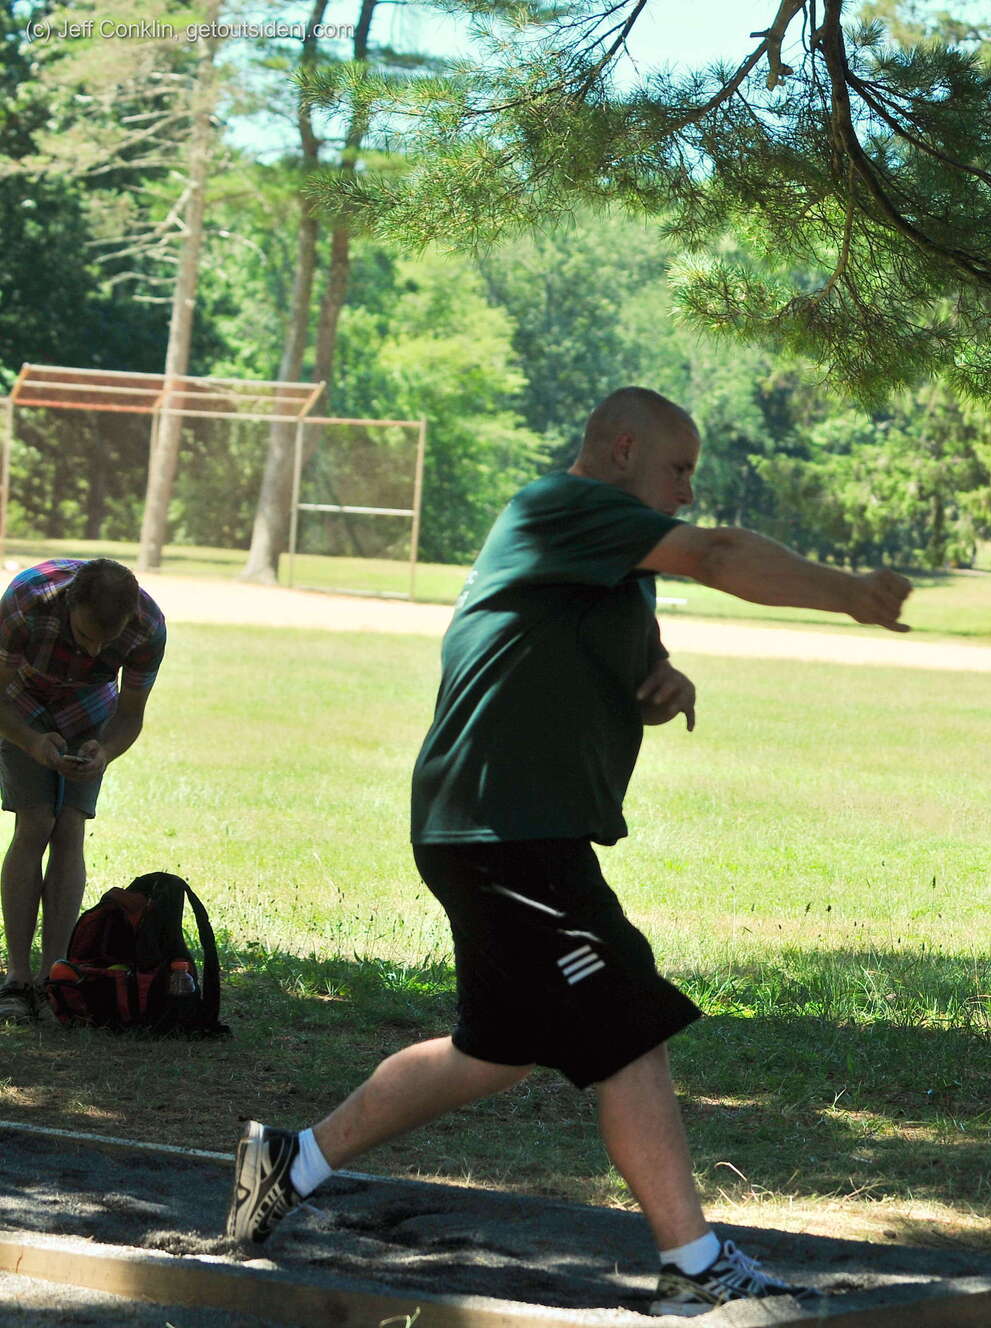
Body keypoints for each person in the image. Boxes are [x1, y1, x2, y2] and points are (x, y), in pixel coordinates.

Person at [226, 387, 914, 1316]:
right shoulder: (559, 507)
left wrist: (662, 686)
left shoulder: (617, 560)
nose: (685, 492)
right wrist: (851, 595)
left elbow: (619, 666)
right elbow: (718, 553)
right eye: (678, 470)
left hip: (505, 827)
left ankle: (291, 1162)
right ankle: (694, 1269)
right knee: (627, 1022)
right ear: (622, 449)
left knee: (496, 1051)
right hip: (504, 828)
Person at [0, 557, 164, 1023]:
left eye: (107, 642)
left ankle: (55, 974)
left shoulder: (148, 628)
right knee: (35, 822)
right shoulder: (26, 603)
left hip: (90, 709)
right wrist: (31, 741)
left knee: (70, 827)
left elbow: (130, 714)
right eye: (86, 634)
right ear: (70, 604)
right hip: (20, 703)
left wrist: (104, 751)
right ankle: (18, 977)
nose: (95, 649)